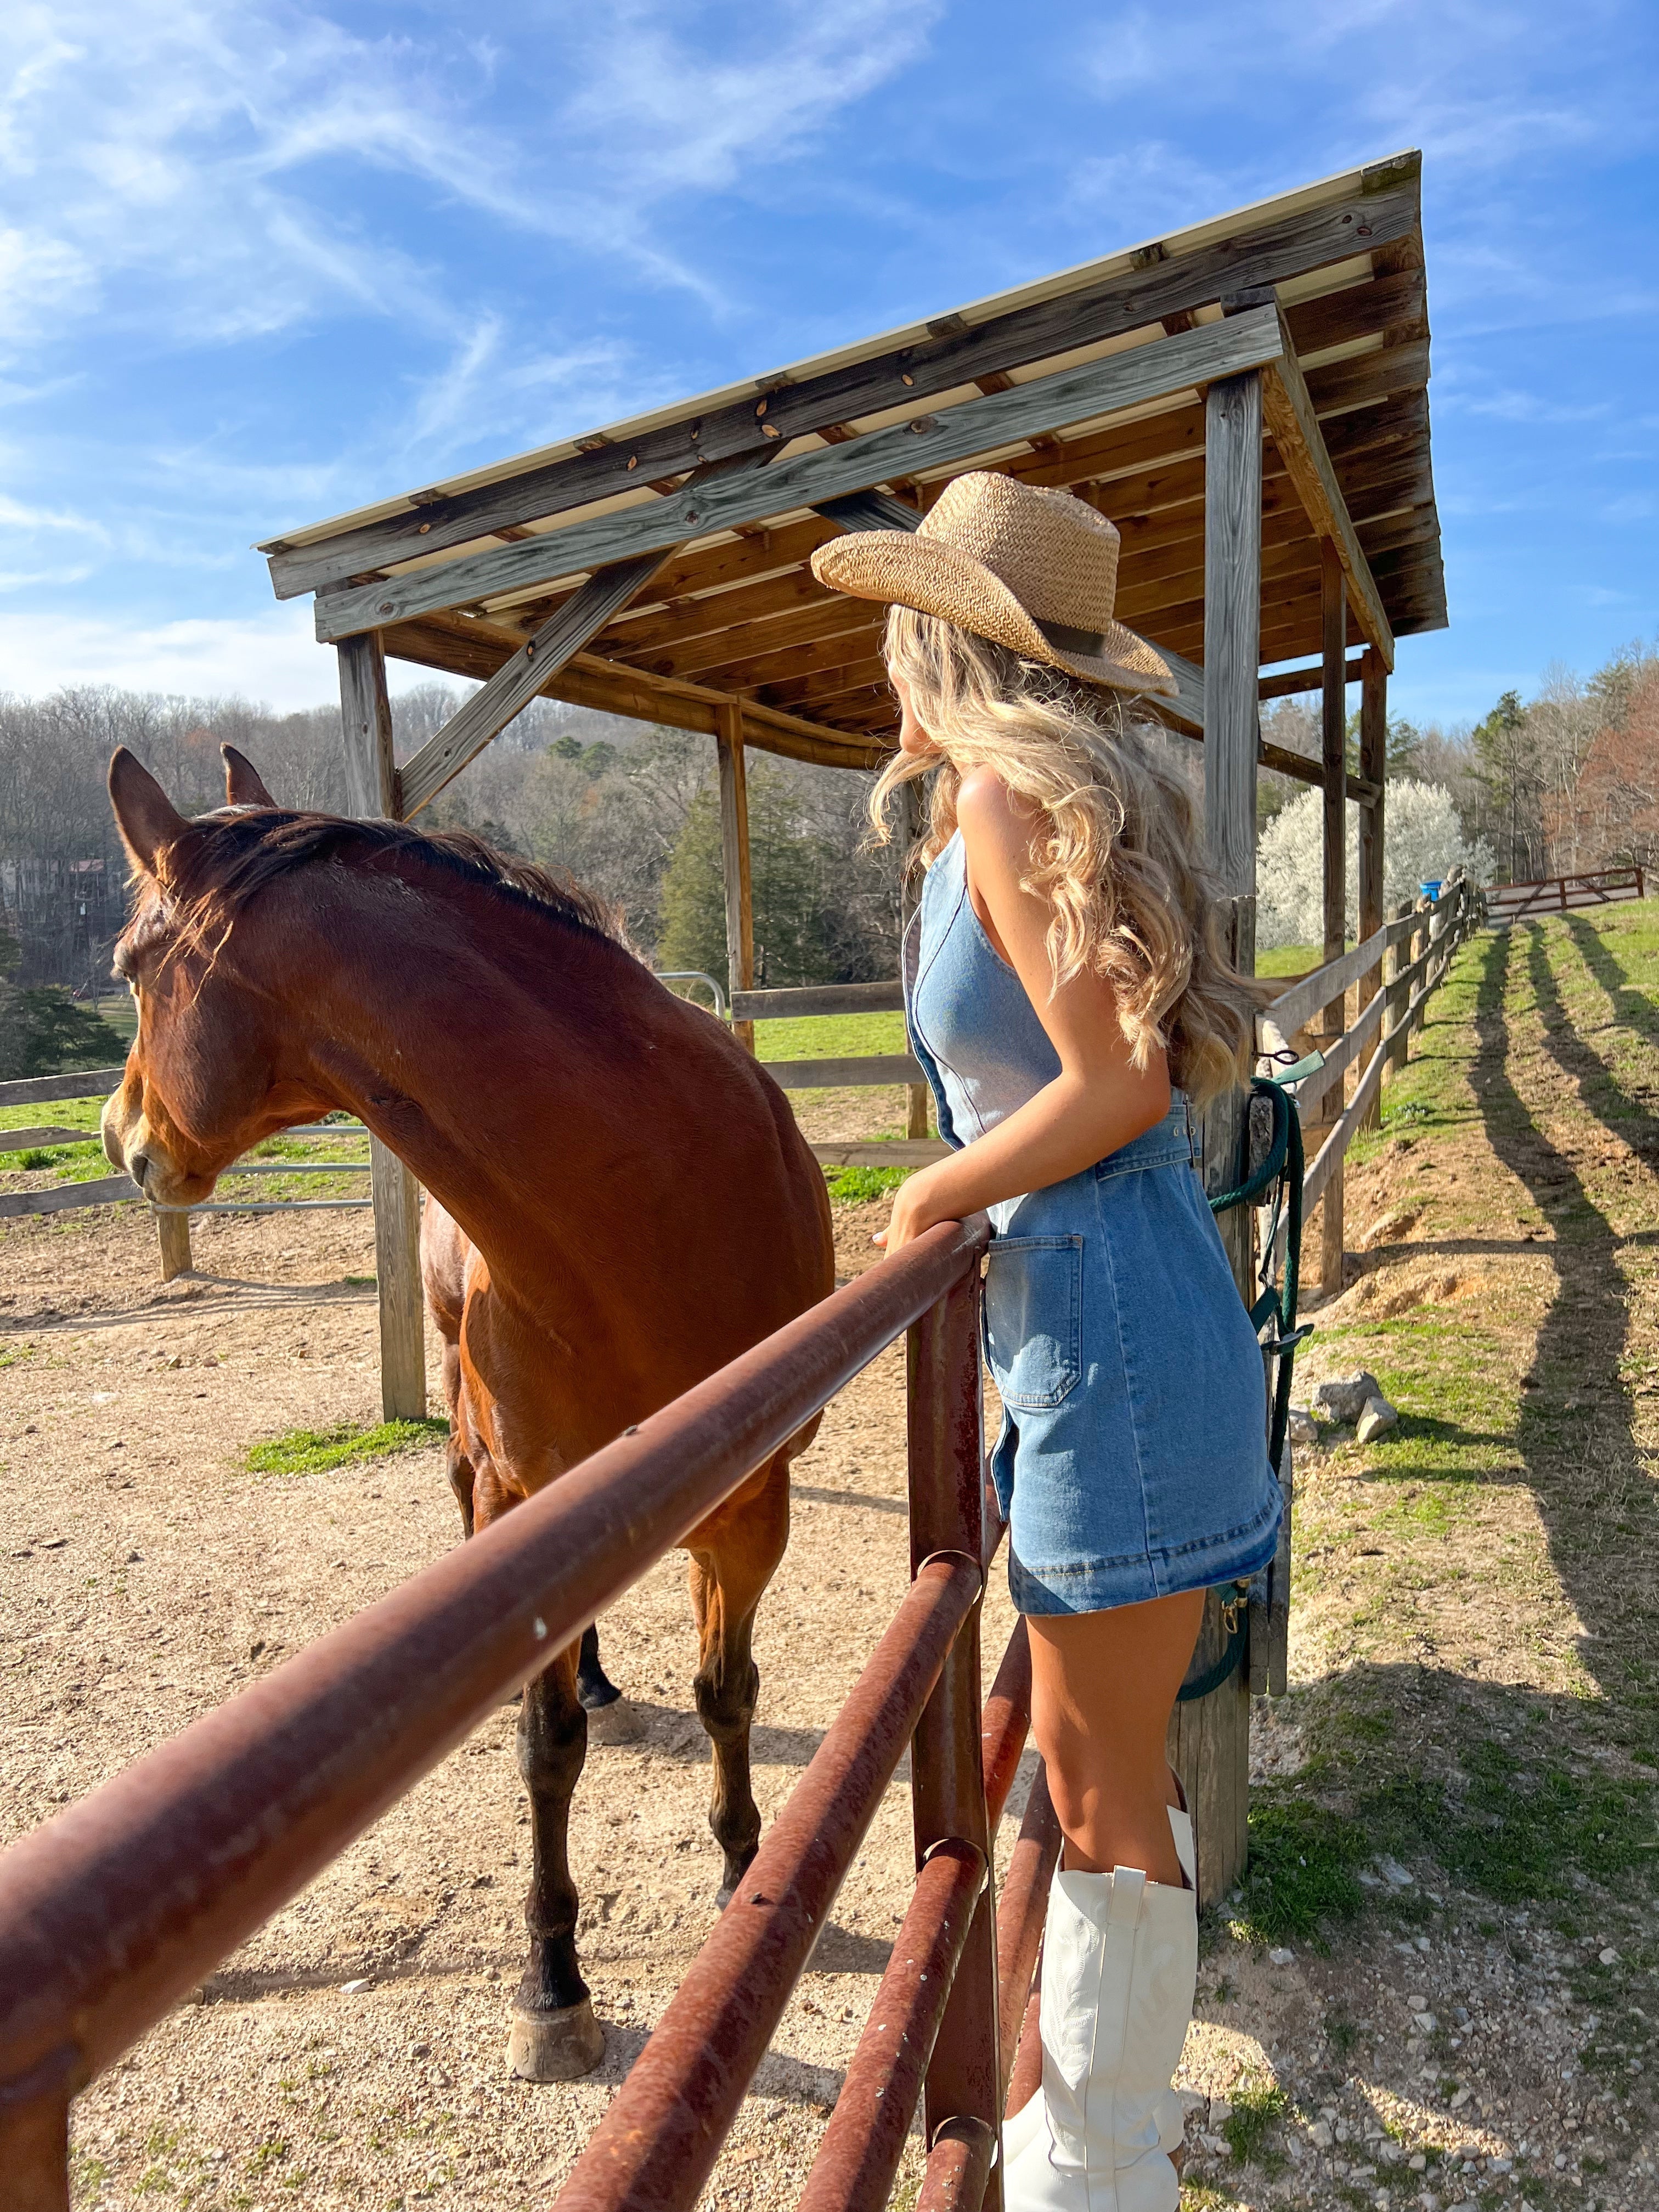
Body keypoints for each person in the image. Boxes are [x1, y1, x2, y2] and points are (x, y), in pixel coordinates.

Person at [811, 473, 1282, 2211]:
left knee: (1095, 1795)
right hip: (1101, 1323)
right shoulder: (995, 814)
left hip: (1113, 1333)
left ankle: (1100, 2171)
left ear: (931, 633)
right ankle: (1106, 2155)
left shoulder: (1006, 803)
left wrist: (934, 1189)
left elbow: (1119, 1085)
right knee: (1103, 1772)